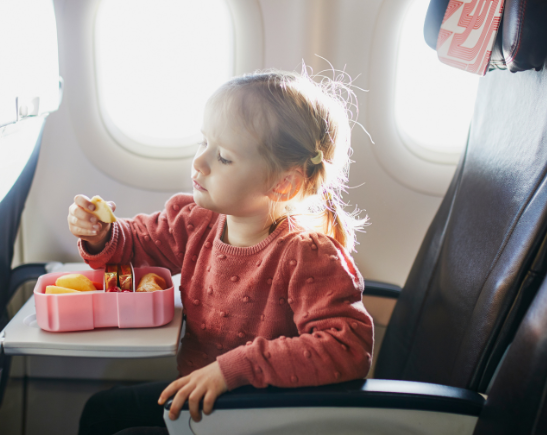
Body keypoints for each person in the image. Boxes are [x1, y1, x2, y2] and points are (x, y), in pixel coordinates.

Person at [68, 69, 374, 435]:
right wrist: (101, 234)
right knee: (101, 411)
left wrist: (233, 370)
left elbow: (346, 347)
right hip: (204, 399)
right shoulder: (197, 222)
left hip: (259, 415)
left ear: (283, 184)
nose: (199, 162)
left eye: (224, 157)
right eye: (203, 142)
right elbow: (135, 245)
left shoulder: (307, 255)